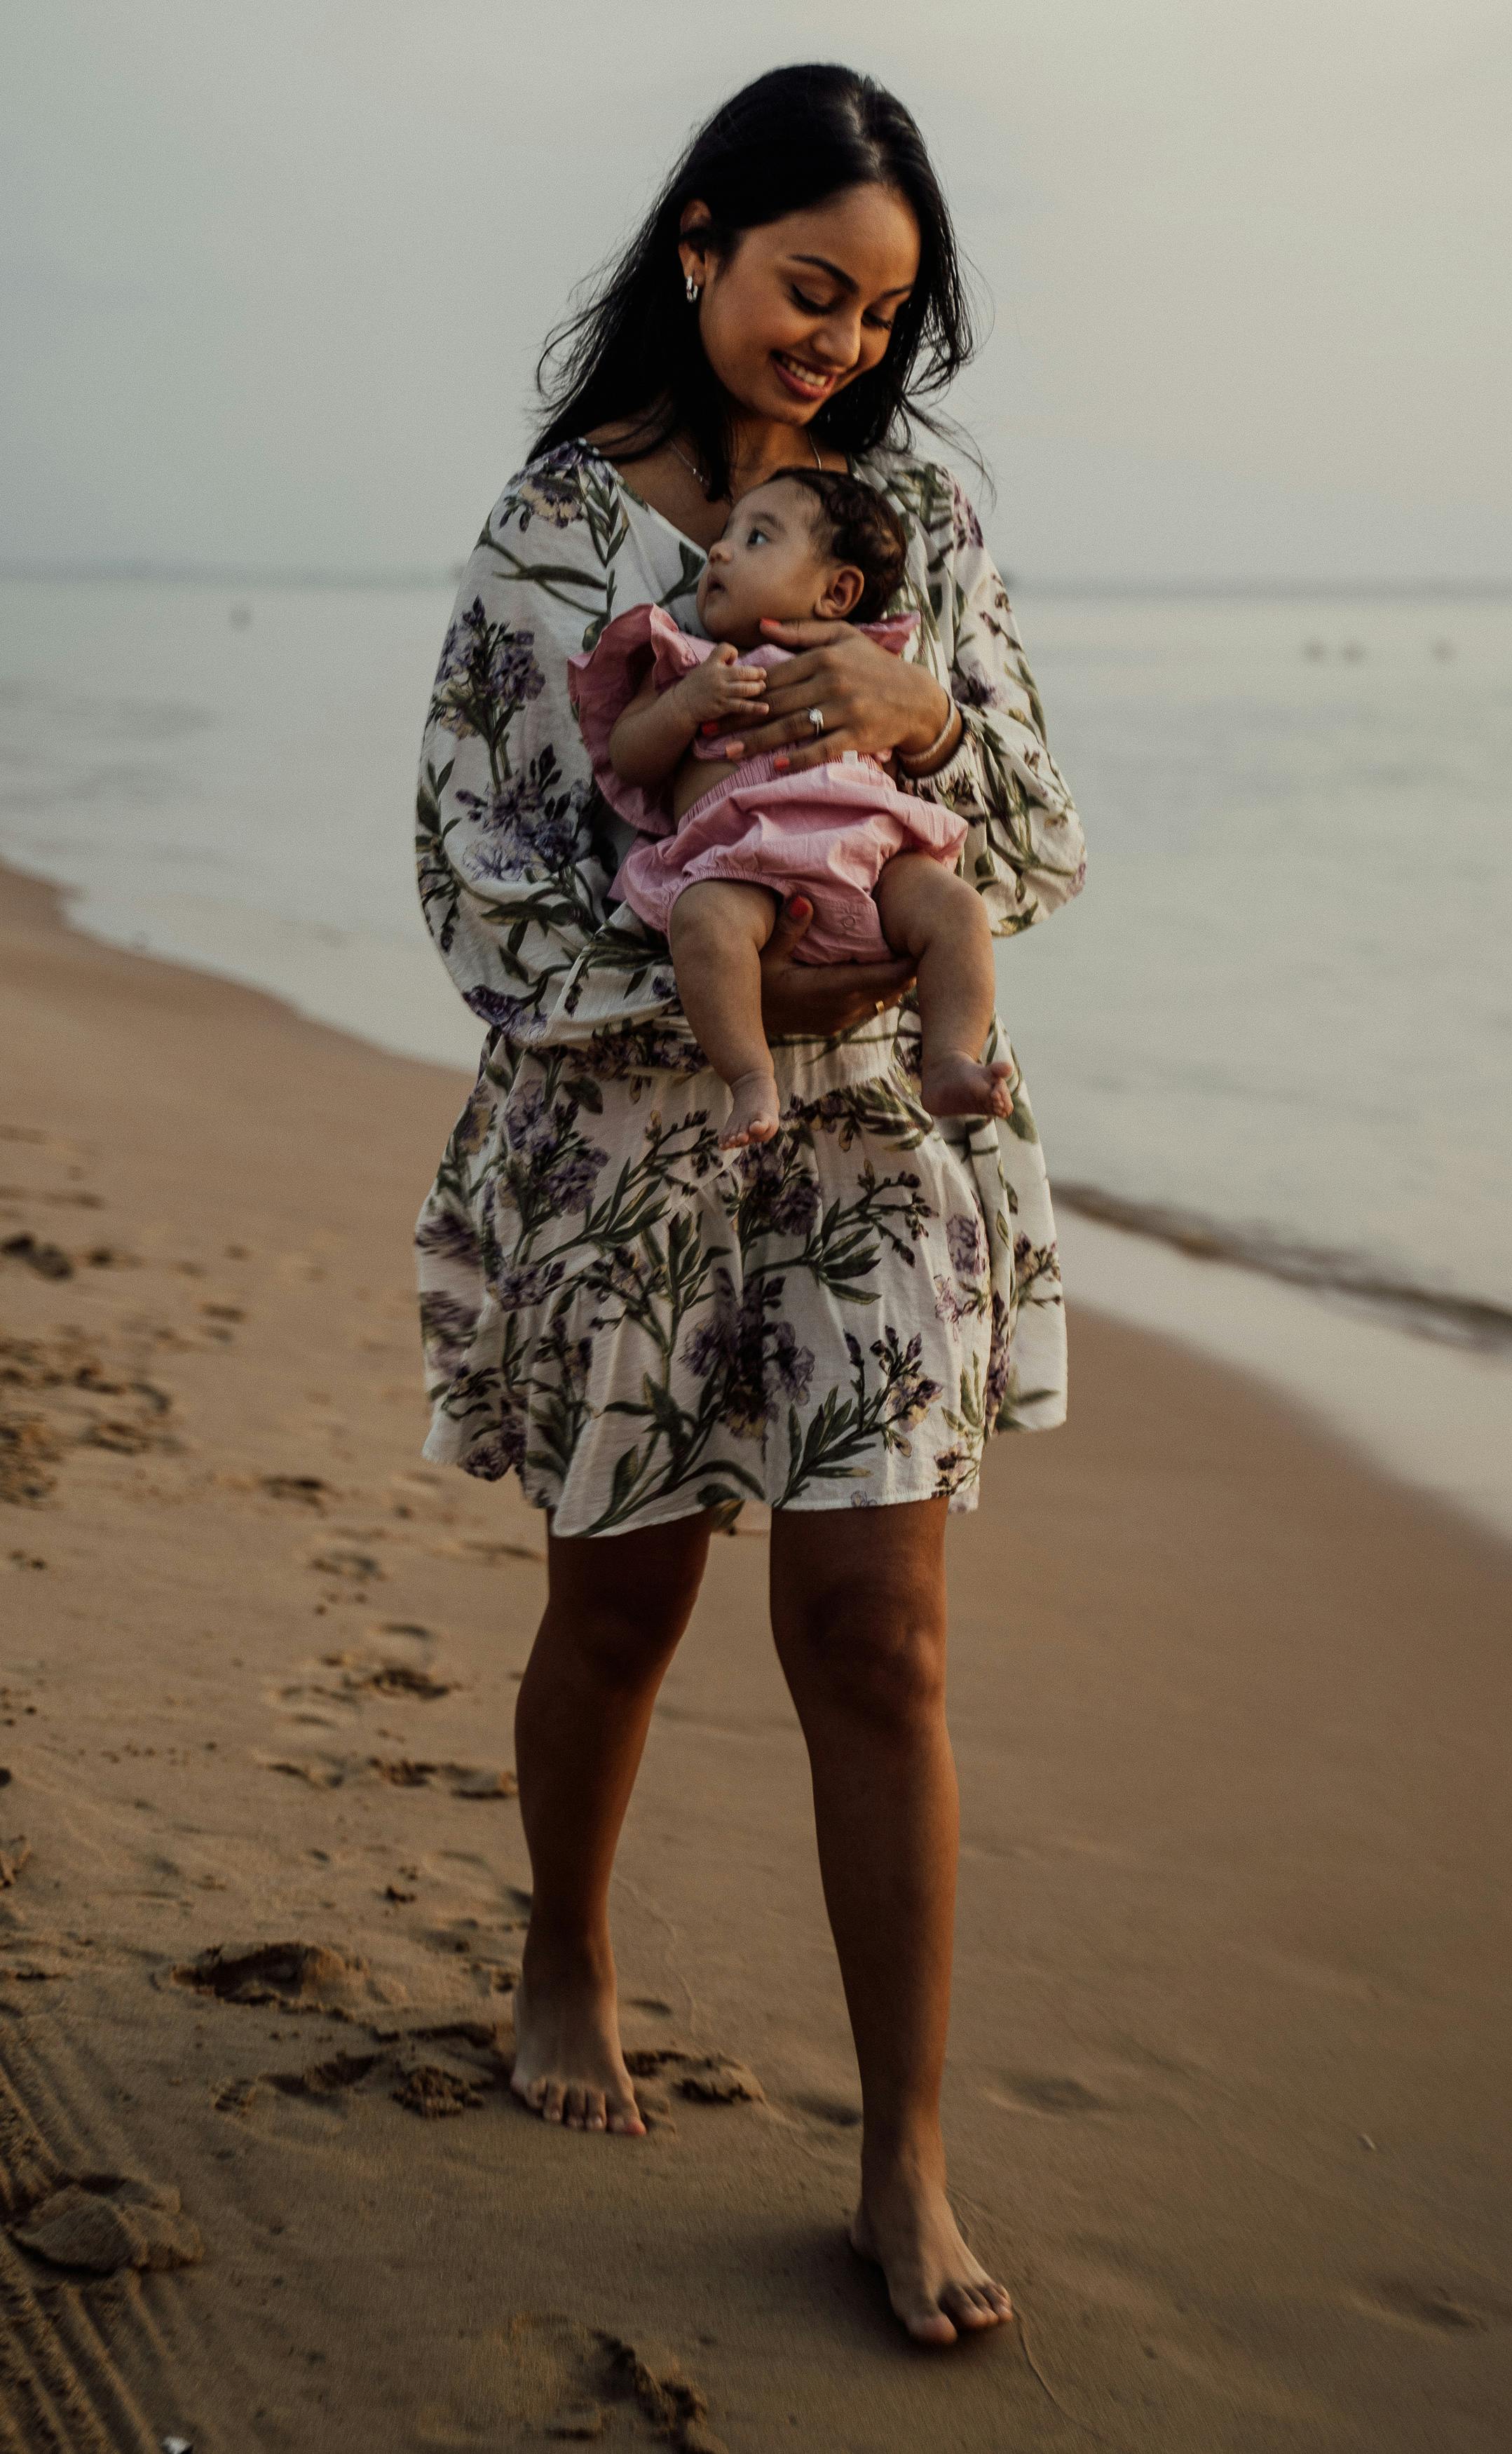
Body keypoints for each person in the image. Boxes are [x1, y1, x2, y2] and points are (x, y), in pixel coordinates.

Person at [414, 62, 1084, 2348]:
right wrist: (715, 941)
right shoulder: (552, 537)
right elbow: (474, 871)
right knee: (614, 1614)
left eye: (884, 319)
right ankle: (563, 1959)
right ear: (701, 238)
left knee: (875, 1642)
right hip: (631, 1136)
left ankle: (904, 2160)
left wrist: (924, 727)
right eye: (815, 289)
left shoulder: (925, 525)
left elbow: (1033, 836)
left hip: (882, 1152)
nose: (843, 348)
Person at [569, 465, 1013, 1148]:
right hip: (741, 869)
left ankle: (950, 1055)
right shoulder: (688, 660)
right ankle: (750, 1074)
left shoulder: (870, 660)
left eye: (754, 538)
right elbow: (627, 757)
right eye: (724, 534)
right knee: (703, 920)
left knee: (956, 909)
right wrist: (685, 705)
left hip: (873, 859)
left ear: (837, 591)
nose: (717, 551)